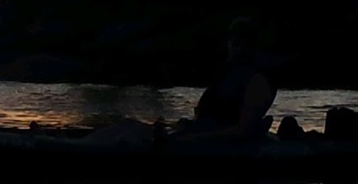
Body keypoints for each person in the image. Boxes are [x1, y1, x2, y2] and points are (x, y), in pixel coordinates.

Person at [83, 17, 278, 145]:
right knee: (129, 126)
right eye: (235, 44)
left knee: (134, 137)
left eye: (244, 45)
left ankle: (79, 149)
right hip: (203, 131)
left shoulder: (257, 81)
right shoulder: (231, 72)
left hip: (220, 142)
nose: (238, 49)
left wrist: (192, 138)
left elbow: (243, 131)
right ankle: (77, 144)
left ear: (254, 47)